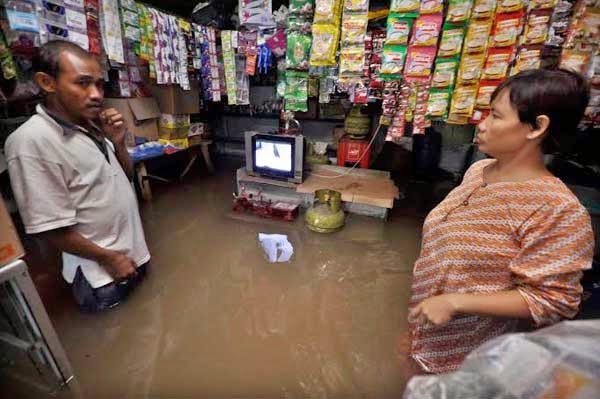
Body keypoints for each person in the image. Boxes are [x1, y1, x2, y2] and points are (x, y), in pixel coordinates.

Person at [408, 68, 595, 374]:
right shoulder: (477, 172)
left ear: (537, 127)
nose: (481, 126)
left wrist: (455, 302)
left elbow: (555, 300)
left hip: (472, 361)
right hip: (425, 336)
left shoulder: (556, 210)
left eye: (495, 116)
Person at [5, 40, 150, 312]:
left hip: (131, 256)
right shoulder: (32, 142)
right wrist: (110, 259)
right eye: (83, 83)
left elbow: (125, 178)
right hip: (103, 276)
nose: (96, 94)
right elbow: (47, 228)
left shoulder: (91, 128)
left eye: (99, 84)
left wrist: (117, 143)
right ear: (47, 82)